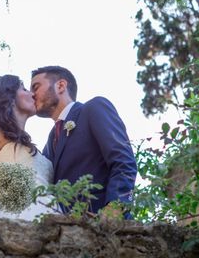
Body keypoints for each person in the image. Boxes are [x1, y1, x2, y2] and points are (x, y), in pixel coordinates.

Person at [30, 66, 137, 218]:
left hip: (107, 224)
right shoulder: (51, 138)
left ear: (60, 86)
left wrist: (116, 207)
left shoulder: (94, 108)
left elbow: (124, 161)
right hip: (67, 232)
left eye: (36, 87)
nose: (31, 95)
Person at [0, 74, 54, 220]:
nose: (32, 94)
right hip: (14, 212)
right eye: (24, 88)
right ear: (8, 95)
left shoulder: (37, 150)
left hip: (48, 211)